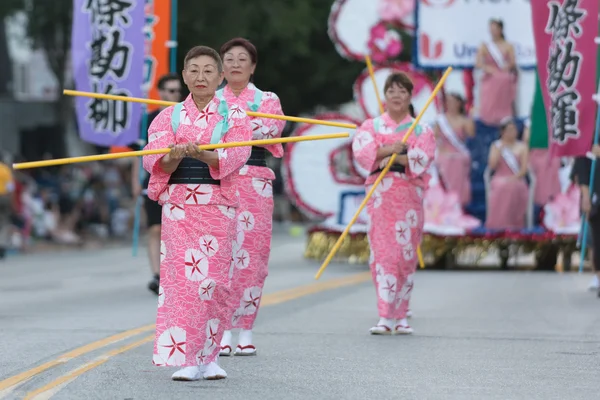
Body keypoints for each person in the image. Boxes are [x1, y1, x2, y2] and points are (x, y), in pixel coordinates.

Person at [142, 45, 253, 381]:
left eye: (208, 70)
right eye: (194, 70)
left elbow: (238, 155)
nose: (201, 76)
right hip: (180, 207)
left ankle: (211, 355)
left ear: (220, 76)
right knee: (182, 283)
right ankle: (190, 358)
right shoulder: (168, 116)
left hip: (218, 205)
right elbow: (153, 159)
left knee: (215, 283)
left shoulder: (235, 115)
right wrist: (174, 156)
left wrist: (205, 156)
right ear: (185, 76)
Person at [214, 38, 286, 357]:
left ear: (253, 66)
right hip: (219, 180)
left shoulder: (268, 98)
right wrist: (245, 127)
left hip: (255, 181)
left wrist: (235, 128)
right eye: (228, 59)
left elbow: (271, 130)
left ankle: (244, 328)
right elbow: (207, 135)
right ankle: (223, 328)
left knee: (252, 257)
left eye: (242, 59)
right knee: (222, 255)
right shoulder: (211, 100)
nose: (235, 64)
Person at [352, 72, 436, 335]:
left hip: (409, 195)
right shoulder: (370, 126)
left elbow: (422, 158)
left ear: (410, 96)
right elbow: (364, 153)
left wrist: (388, 152)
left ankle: (401, 315)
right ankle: (385, 315)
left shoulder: (422, 128)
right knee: (383, 253)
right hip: (380, 194)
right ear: (384, 97)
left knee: (405, 255)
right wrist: (394, 150)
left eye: (402, 91)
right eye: (391, 91)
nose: (397, 95)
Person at [131, 74, 182, 295]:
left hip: (178, 180)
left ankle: (175, 272)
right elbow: (138, 154)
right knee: (155, 228)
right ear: (160, 92)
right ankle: (157, 274)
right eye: (169, 91)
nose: (172, 95)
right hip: (152, 179)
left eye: (176, 91)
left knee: (176, 229)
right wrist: (135, 181)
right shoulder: (147, 119)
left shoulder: (184, 117)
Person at [485, 119, 529, 230]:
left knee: (513, 186)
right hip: (500, 177)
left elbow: (524, 170)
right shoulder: (496, 145)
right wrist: (499, 151)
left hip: (517, 178)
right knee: (501, 186)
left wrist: (513, 178)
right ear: (502, 132)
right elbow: (492, 166)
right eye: (509, 130)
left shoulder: (522, 147)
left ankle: (514, 224)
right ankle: (498, 224)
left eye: (514, 130)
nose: (512, 132)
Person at [433, 93, 474, 206]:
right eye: (448, 101)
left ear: (459, 103)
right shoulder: (440, 120)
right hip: (444, 152)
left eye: (453, 101)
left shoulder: (464, 120)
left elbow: (471, 134)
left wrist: (470, 116)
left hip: (459, 153)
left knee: (459, 161)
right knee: (447, 161)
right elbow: (435, 138)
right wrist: (442, 150)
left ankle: (459, 202)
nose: (450, 104)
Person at [475, 19, 517, 127]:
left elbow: (512, 62)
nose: (493, 31)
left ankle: (504, 115)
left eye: (495, 29)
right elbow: (478, 63)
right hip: (490, 75)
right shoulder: (485, 46)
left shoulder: (508, 45)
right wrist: (488, 69)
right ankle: (489, 116)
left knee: (505, 79)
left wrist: (506, 67)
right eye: (491, 29)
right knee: (493, 81)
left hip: (503, 75)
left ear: (501, 30)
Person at [572, 149, 600, 297]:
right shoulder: (587, 139)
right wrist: (585, 196)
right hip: (595, 196)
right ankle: (597, 275)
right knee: (595, 239)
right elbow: (580, 172)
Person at [522, 118, 561, 207]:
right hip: (535, 154)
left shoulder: (555, 119)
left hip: (552, 153)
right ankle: (540, 201)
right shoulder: (531, 122)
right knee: (541, 165)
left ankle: (554, 199)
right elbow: (526, 142)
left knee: (554, 163)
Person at [0, 155, 15, 259]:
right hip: (4, 198)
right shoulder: (5, 169)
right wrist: (12, 201)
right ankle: (2, 245)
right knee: (4, 222)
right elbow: (10, 187)